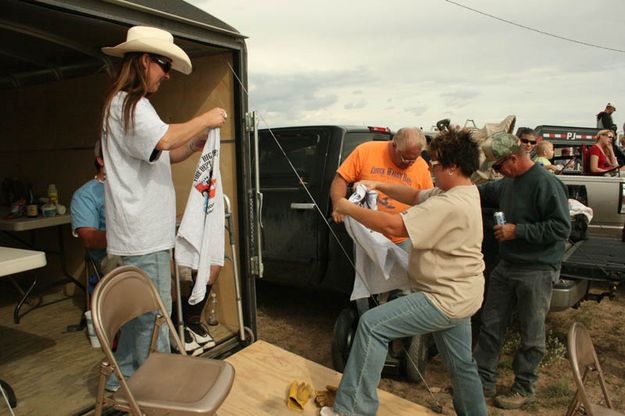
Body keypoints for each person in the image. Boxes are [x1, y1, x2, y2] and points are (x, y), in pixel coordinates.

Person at [322, 129, 488, 416]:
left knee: (373, 325)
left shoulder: (449, 204)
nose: (430, 168)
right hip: (464, 294)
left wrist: (346, 206)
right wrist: (378, 184)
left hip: (443, 298)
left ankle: (351, 411)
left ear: (452, 167)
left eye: (435, 164)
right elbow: (414, 195)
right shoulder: (461, 190)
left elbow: (393, 227)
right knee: (462, 365)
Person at [100, 25, 227, 391]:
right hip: (142, 238)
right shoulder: (130, 104)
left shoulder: (129, 105)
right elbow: (165, 137)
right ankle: (146, 392)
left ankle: (126, 384)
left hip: (145, 236)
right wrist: (204, 119)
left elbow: (162, 153)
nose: (167, 74)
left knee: (145, 320)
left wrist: (194, 143)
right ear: (144, 61)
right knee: (151, 321)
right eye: (163, 65)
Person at [473, 132, 570, 409]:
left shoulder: (546, 184)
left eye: (497, 166)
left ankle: (524, 386)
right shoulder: (507, 183)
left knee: (531, 332)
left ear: (513, 158)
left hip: (537, 269)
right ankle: (483, 380)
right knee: (491, 323)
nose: (496, 172)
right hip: (507, 266)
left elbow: (561, 228)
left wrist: (519, 231)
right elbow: (479, 193)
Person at [330, 127, 433, 250]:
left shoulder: (421, 166)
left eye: (414, 159)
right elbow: (340, 179)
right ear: (394, 145)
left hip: (402, 240)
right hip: (367, 236)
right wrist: (338, 205)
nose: (410, 163)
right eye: (405, 158)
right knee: (365, 269)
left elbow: (427, 200)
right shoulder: (366, 151)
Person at [70, 139, 107, 272]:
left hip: (146, 250)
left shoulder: (131, 188)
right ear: (101, 160)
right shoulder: (85, 195)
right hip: (111, 258)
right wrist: (124, 235)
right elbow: (89, 239)